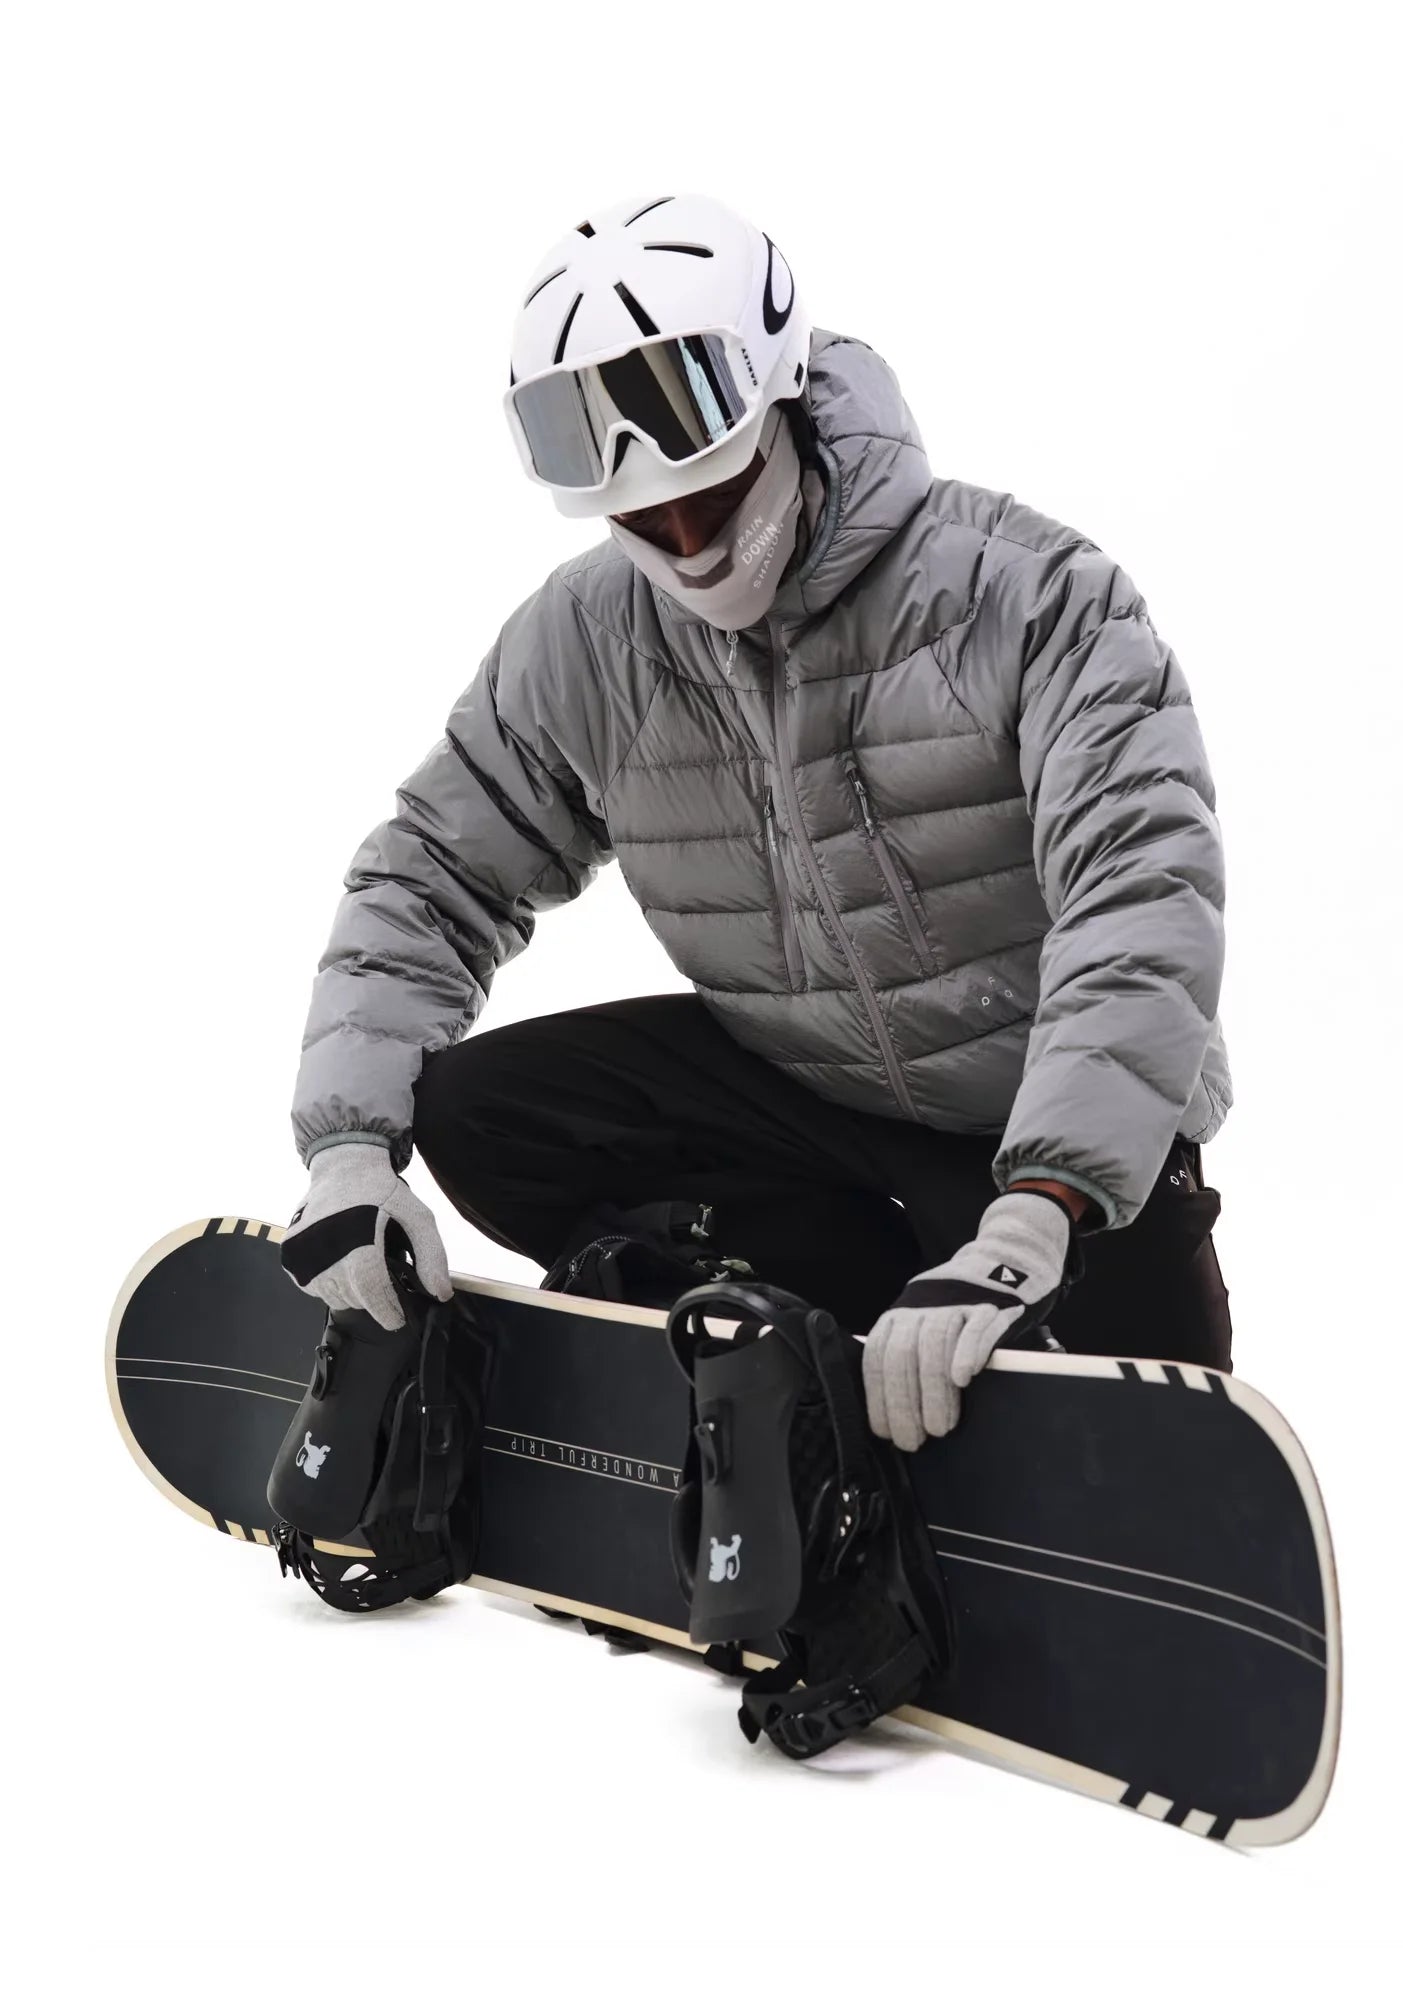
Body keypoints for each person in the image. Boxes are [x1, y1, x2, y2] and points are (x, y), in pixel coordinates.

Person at [280, 191, 1233, 1456]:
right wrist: (349, 1148)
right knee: (486, 1109)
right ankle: (800, 1332)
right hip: (802, 1098)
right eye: (645, 516)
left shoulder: (1030, 595)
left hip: (1028, 1136)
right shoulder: (589, 642)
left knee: (1146, 1435)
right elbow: (430, 875)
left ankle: (971, 1328)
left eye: (715, 494)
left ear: (783, 402)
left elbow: (1141, 890)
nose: (686, 541)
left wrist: (1040, 1209)